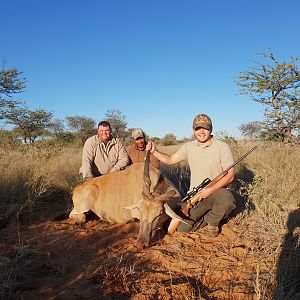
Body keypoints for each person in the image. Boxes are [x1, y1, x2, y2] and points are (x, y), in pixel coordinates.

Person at [146, 114, 236, 237]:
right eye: (198, 128)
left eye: (205, 128)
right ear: (193, 130)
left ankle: (214, 222)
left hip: (216, 192)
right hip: (195, 196)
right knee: (182, 228)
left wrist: (209, 190)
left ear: (211, 129)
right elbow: (170, 160)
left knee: (227, 199)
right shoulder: (188, 147)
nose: (202, 131)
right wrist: (154, 151)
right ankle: (208, 216)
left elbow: (230, 176)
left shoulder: (222, 146)